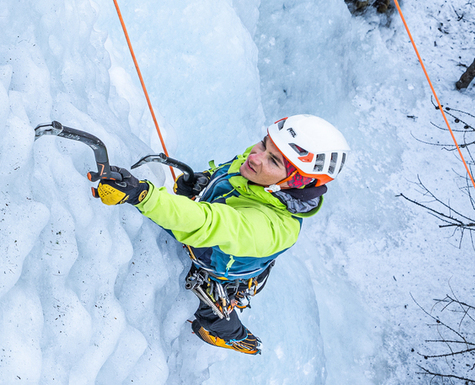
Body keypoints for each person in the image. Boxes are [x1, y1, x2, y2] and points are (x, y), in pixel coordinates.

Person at [92, 115, 350, 355]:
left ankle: (232, 335)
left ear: (296, 182)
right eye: (263, 144)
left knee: (211, 312)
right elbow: (233, 173)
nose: (256, 157)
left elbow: (206, 224)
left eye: (274, 161)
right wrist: (205, 181)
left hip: (219, 263)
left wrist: (142, 195)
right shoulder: (260, 171)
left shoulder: (275, 229)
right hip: (223, 234)